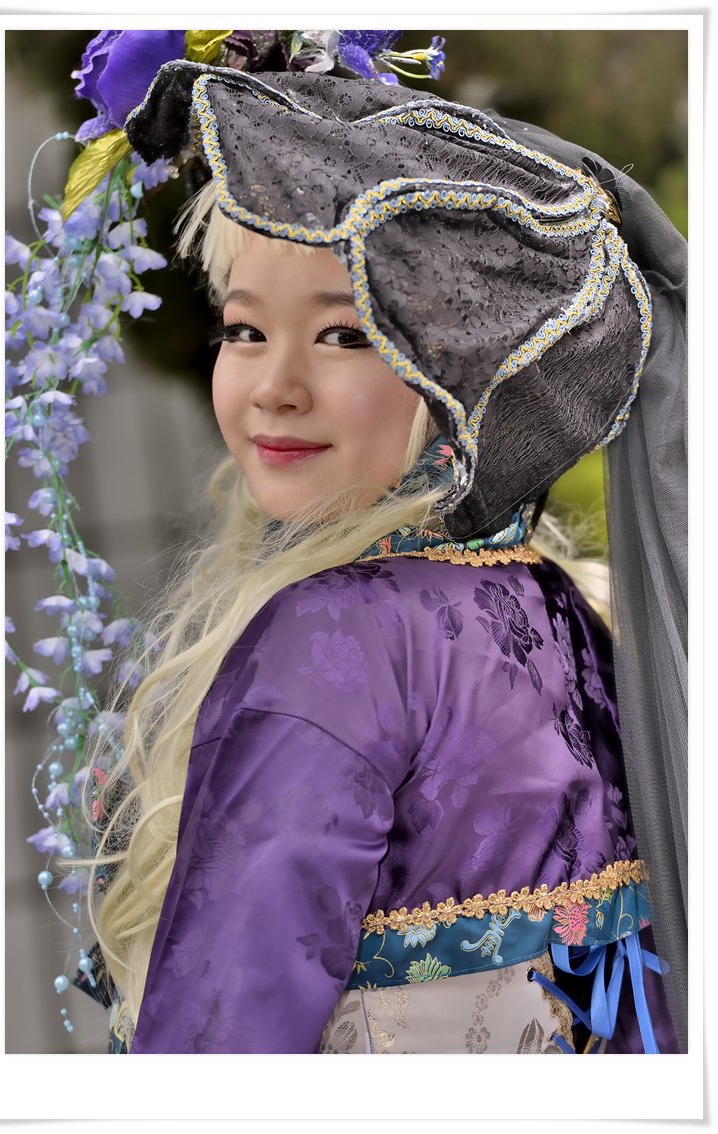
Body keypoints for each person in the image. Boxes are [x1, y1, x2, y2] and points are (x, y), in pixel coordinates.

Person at [71, 63, 686, 1056]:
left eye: (345, 335)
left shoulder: (335, 637)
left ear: (460, 367)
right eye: (242, 328)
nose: (274, 385)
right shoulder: (560, 607)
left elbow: (221, 1045)